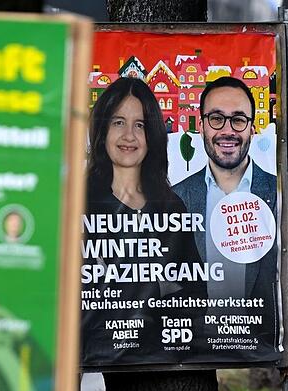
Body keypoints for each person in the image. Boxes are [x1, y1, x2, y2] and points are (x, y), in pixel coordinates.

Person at [81, 77, 204, 364]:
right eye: (118, 122)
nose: (129, 136)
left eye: (140, 125)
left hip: (167, 357)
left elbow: (195, 290)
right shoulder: (80, 202)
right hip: (106, 355)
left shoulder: (171, 206)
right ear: (101, 130)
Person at [173, 76, 277, 342]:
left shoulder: (279, 195)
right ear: (202, 126)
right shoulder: (176, 198)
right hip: (194, 345)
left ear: (252, 127)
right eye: (217, 118)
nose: (227, 131)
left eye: (238, 120)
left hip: (259, 345)